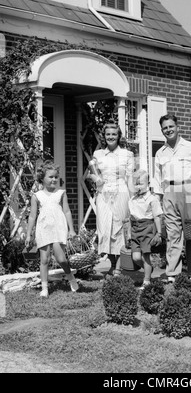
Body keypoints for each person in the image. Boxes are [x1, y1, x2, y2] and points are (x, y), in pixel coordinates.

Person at [152, 113, 191, 283]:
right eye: (165, 128)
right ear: (162, 131)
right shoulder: (160, 153)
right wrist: (157, 200)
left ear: (177, 127)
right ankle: (173, 273)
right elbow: (157, 179)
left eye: (171, 126)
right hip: (169, 192)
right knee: (172, 234)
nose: (168, 130)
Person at [25, 160, 78, 298]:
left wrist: (71, 229)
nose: (54, 179)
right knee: (44, 259)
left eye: (56, 176)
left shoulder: (61, 193)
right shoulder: (37, 196)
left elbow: (67, 211)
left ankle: (70, 277)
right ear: (42, 178)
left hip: (58, 228)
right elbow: (32, 216)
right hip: (43, 229)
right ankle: (44, 288)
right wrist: (29, 234)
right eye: (51, 177)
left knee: (61, 259)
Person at [88, 120, 134, 276]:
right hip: (104, 194)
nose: (111, 137)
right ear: (104, 136)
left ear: (119, 135)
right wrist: (95, 179)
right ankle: (112, 264)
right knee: (105, 227)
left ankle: (119, 267)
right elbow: (92, 173)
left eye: (114, 134)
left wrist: (134, 199)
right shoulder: (98, 154)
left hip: (121, 192)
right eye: (108, 134)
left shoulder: (127, 154)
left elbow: (130, 179)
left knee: (120, 228)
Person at [127, 169, 163, 290]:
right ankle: (149, 269)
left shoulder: (152, 199)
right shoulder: (132, 200)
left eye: (140, 183)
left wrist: (159, 233)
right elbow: (130, 219)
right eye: (135, 184)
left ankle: (146, 280)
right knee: (136, 257)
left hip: (147, 227)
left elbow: (157, 217)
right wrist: (128, 234)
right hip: (135, 228)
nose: (138, 186)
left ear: (148, 183)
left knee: (145, 255)